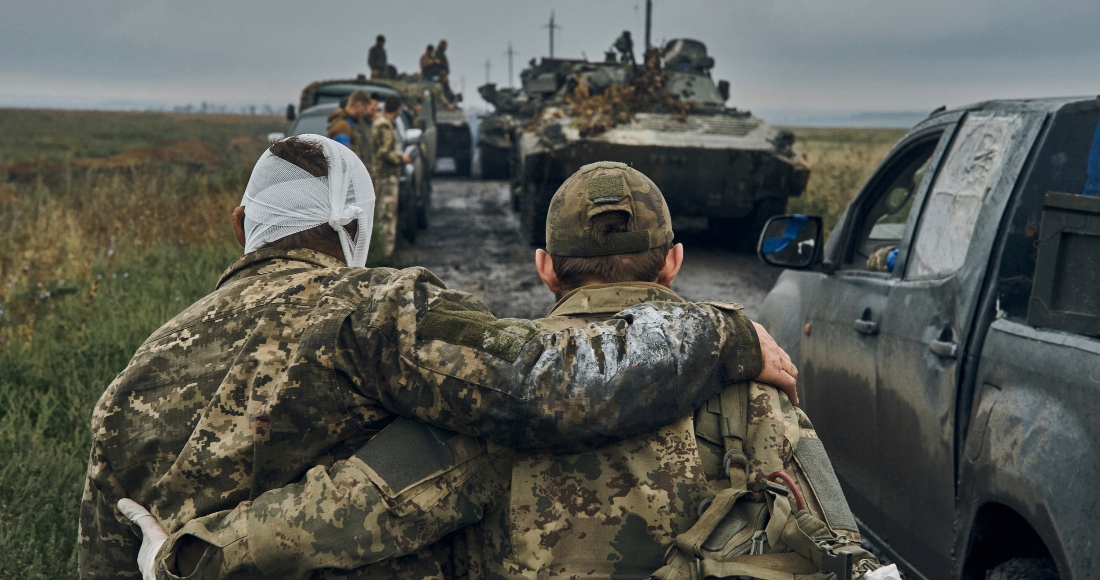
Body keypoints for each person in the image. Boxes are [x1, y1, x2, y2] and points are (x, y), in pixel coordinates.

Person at [79, 139, 797, 579]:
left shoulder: (125, 386)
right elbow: (534, 383)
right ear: (674, 260)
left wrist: (191, 558)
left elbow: (354, 506)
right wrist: (721, 335)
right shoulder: (382, 312)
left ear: (546, 267)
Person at [369, 96, 410, 261]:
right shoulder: (385, 124)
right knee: (387, 214)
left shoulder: (379, 122)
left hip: (381, 174)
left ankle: (382, 251)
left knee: (382, 213)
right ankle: (386, 254)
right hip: (386, 175)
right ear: (398, 109)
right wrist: (402, 159)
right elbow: (385, 152)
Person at [326, 90, 374, 165]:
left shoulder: (351, 125)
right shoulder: (342, 127)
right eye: (364, 109)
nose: (364, 113)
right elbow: (343, 159)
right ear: (359, 105)